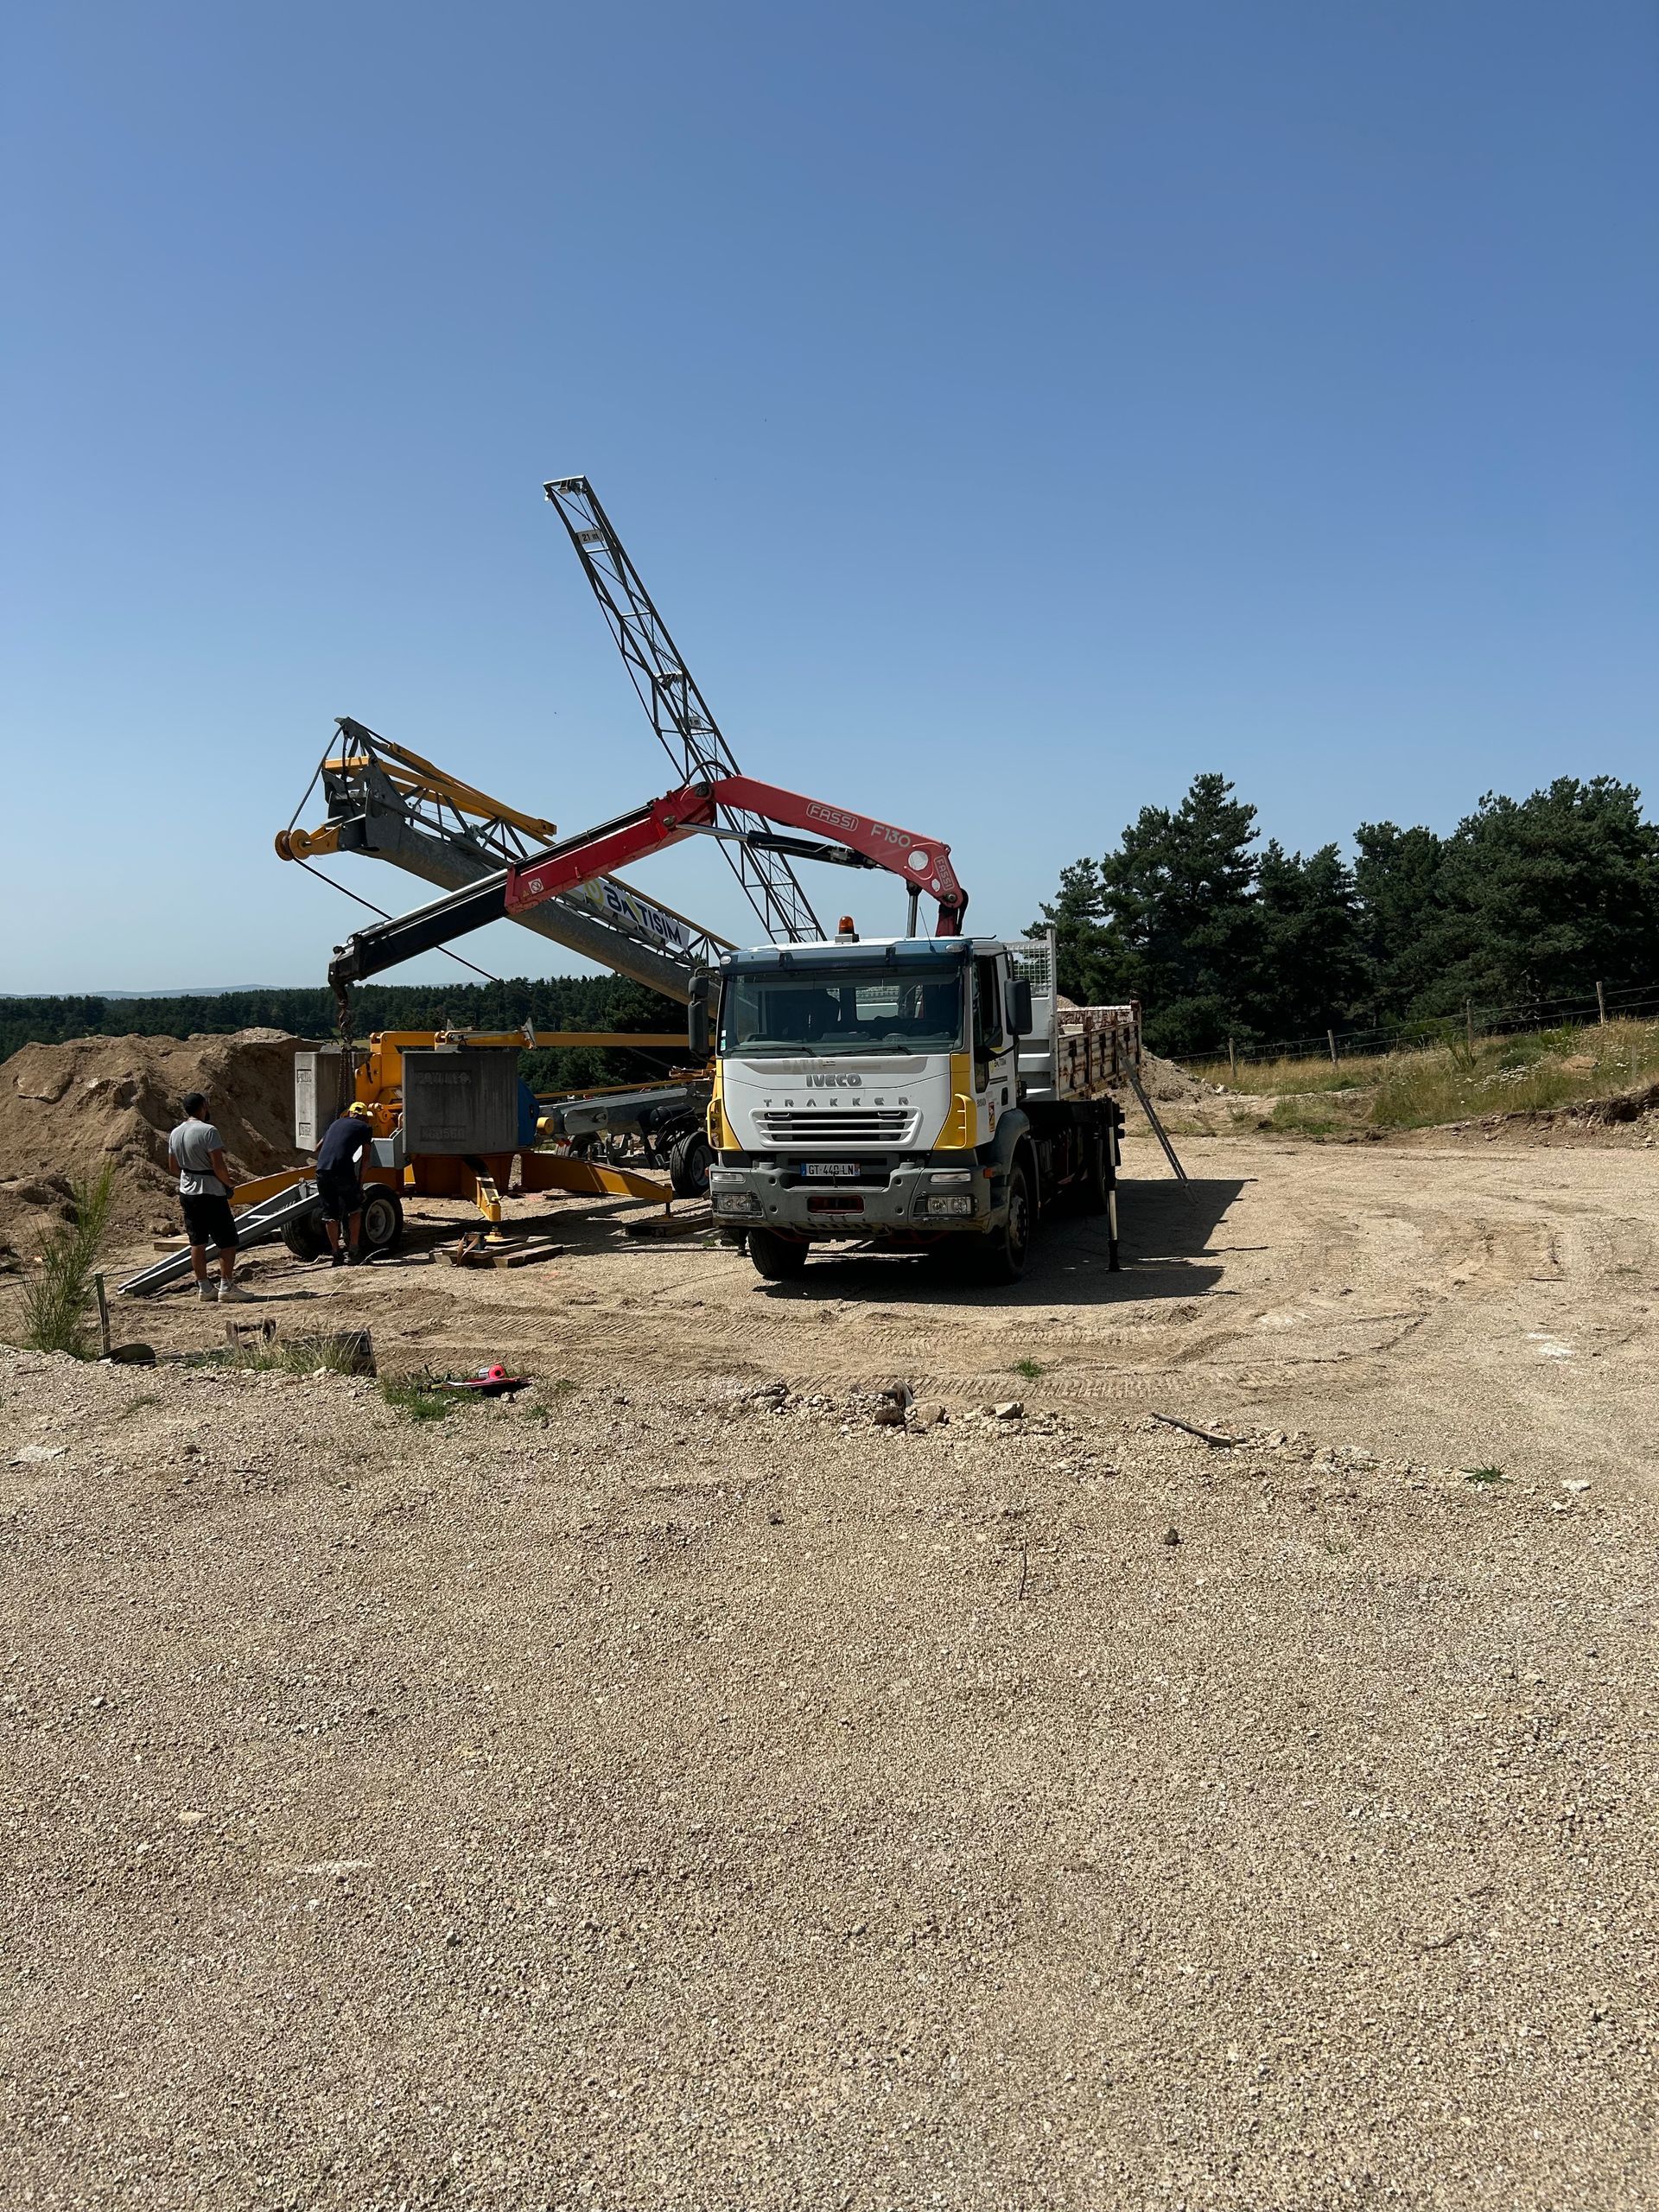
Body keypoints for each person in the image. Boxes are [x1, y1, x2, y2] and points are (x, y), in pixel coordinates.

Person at [167, 1091, 249, 1303]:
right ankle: (227, 1286)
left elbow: (173, 1167)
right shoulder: (209, 1131)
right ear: (203, 1107)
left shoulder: (175, 1133)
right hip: (210, 1191)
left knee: (197, 1241)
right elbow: (218, 1166)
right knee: (227, 1241)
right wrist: (229, 1183)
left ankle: (204, 1286)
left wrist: (190, 1175)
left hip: (187, 1192)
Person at [315, 1102, 375, 1265]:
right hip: (343, 1171)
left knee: (329, 1216)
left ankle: (336, 1254)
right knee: (355, 1209)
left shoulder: (335, 1123)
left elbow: (316, 1148)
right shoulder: (365, 1128)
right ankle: (354, 1251)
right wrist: (360, 1185)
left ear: (349, 1113)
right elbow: (366, 1158)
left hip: (322, 1170)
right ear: (363, 1116)